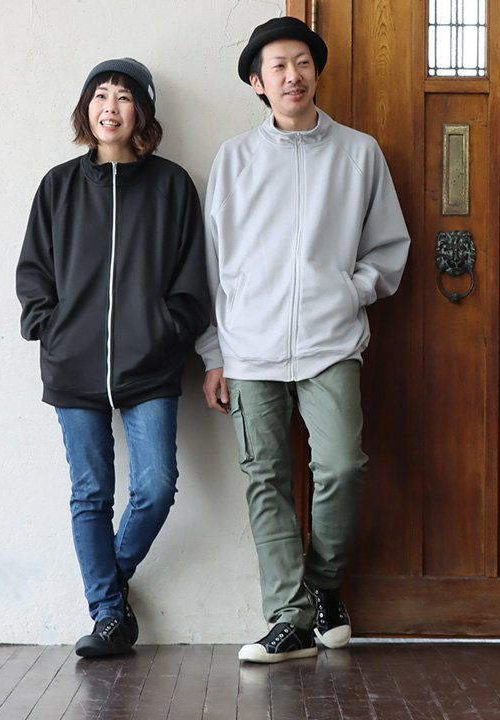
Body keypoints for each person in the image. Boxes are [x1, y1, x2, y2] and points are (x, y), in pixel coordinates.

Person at [196, 17, 410, 663]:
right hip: (249, 345)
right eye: (278, 67)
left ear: (316, 72)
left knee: (342, 465)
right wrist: (214, 353)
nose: (292, 76)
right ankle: (288, 619)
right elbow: (211, 265)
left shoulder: (359, 153)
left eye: (302, 63)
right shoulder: (234, 158)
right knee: (265, 476)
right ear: (257, 83)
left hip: (330, 341)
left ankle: (323, 584)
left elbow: (388, 248)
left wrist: (347, 291)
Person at [16, 58, 209, 658]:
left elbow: (193, 276)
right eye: (99, 95)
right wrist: (48, 328)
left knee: (156, 487)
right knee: (90, 494)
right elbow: (33, 271)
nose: (110, 106)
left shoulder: (172, 185)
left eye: (123, 97)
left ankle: (108, 592)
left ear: (141, 112)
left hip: (150, 367)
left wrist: (170, 330)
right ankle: (109, 617)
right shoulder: (58, 186)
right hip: (73, 369)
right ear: (86, 109)